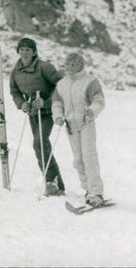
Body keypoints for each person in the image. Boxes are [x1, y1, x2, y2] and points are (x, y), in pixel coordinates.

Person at [9, 37, 66, 195]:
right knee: (38, 145)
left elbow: (61, 84)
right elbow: (15, 92)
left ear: (34, 52)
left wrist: (46, 101)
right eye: (22, 49)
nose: (24, 52)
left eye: (28, 49)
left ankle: (52, 179)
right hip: (33, 112)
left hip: (48, 111)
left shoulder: (44, 67)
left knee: (40, 141)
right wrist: (22, 104)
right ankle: (54, 183)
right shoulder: (16, 72)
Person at [52, 52, 106, 207]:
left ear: (81, 65)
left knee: (89, 158)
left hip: (86, 123)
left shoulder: (89, 82)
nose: (70, 67)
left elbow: (99, 100)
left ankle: (96, 192)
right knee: (78, 161)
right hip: (70, 126)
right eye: (68, 64)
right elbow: (57, 103)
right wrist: (58, 116)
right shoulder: (61, 84)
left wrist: (92, 111)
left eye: (74, 64)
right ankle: (88, 190)